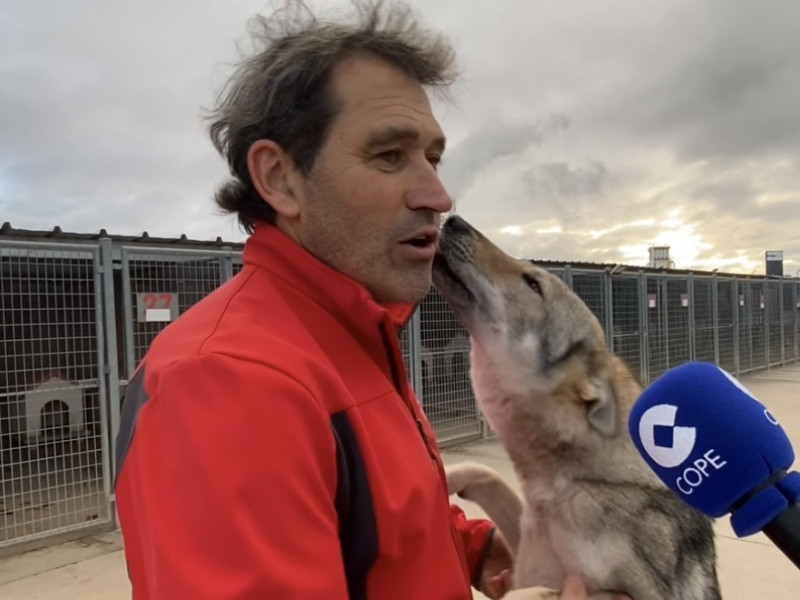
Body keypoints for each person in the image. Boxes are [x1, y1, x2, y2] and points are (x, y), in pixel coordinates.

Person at [114, 1, 626, 598]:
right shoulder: (229, 380)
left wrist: (472, 552)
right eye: (389, 155)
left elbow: (378, 524)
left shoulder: (351, 335)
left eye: (433, 157)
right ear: (280, 179)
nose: (438, 194)